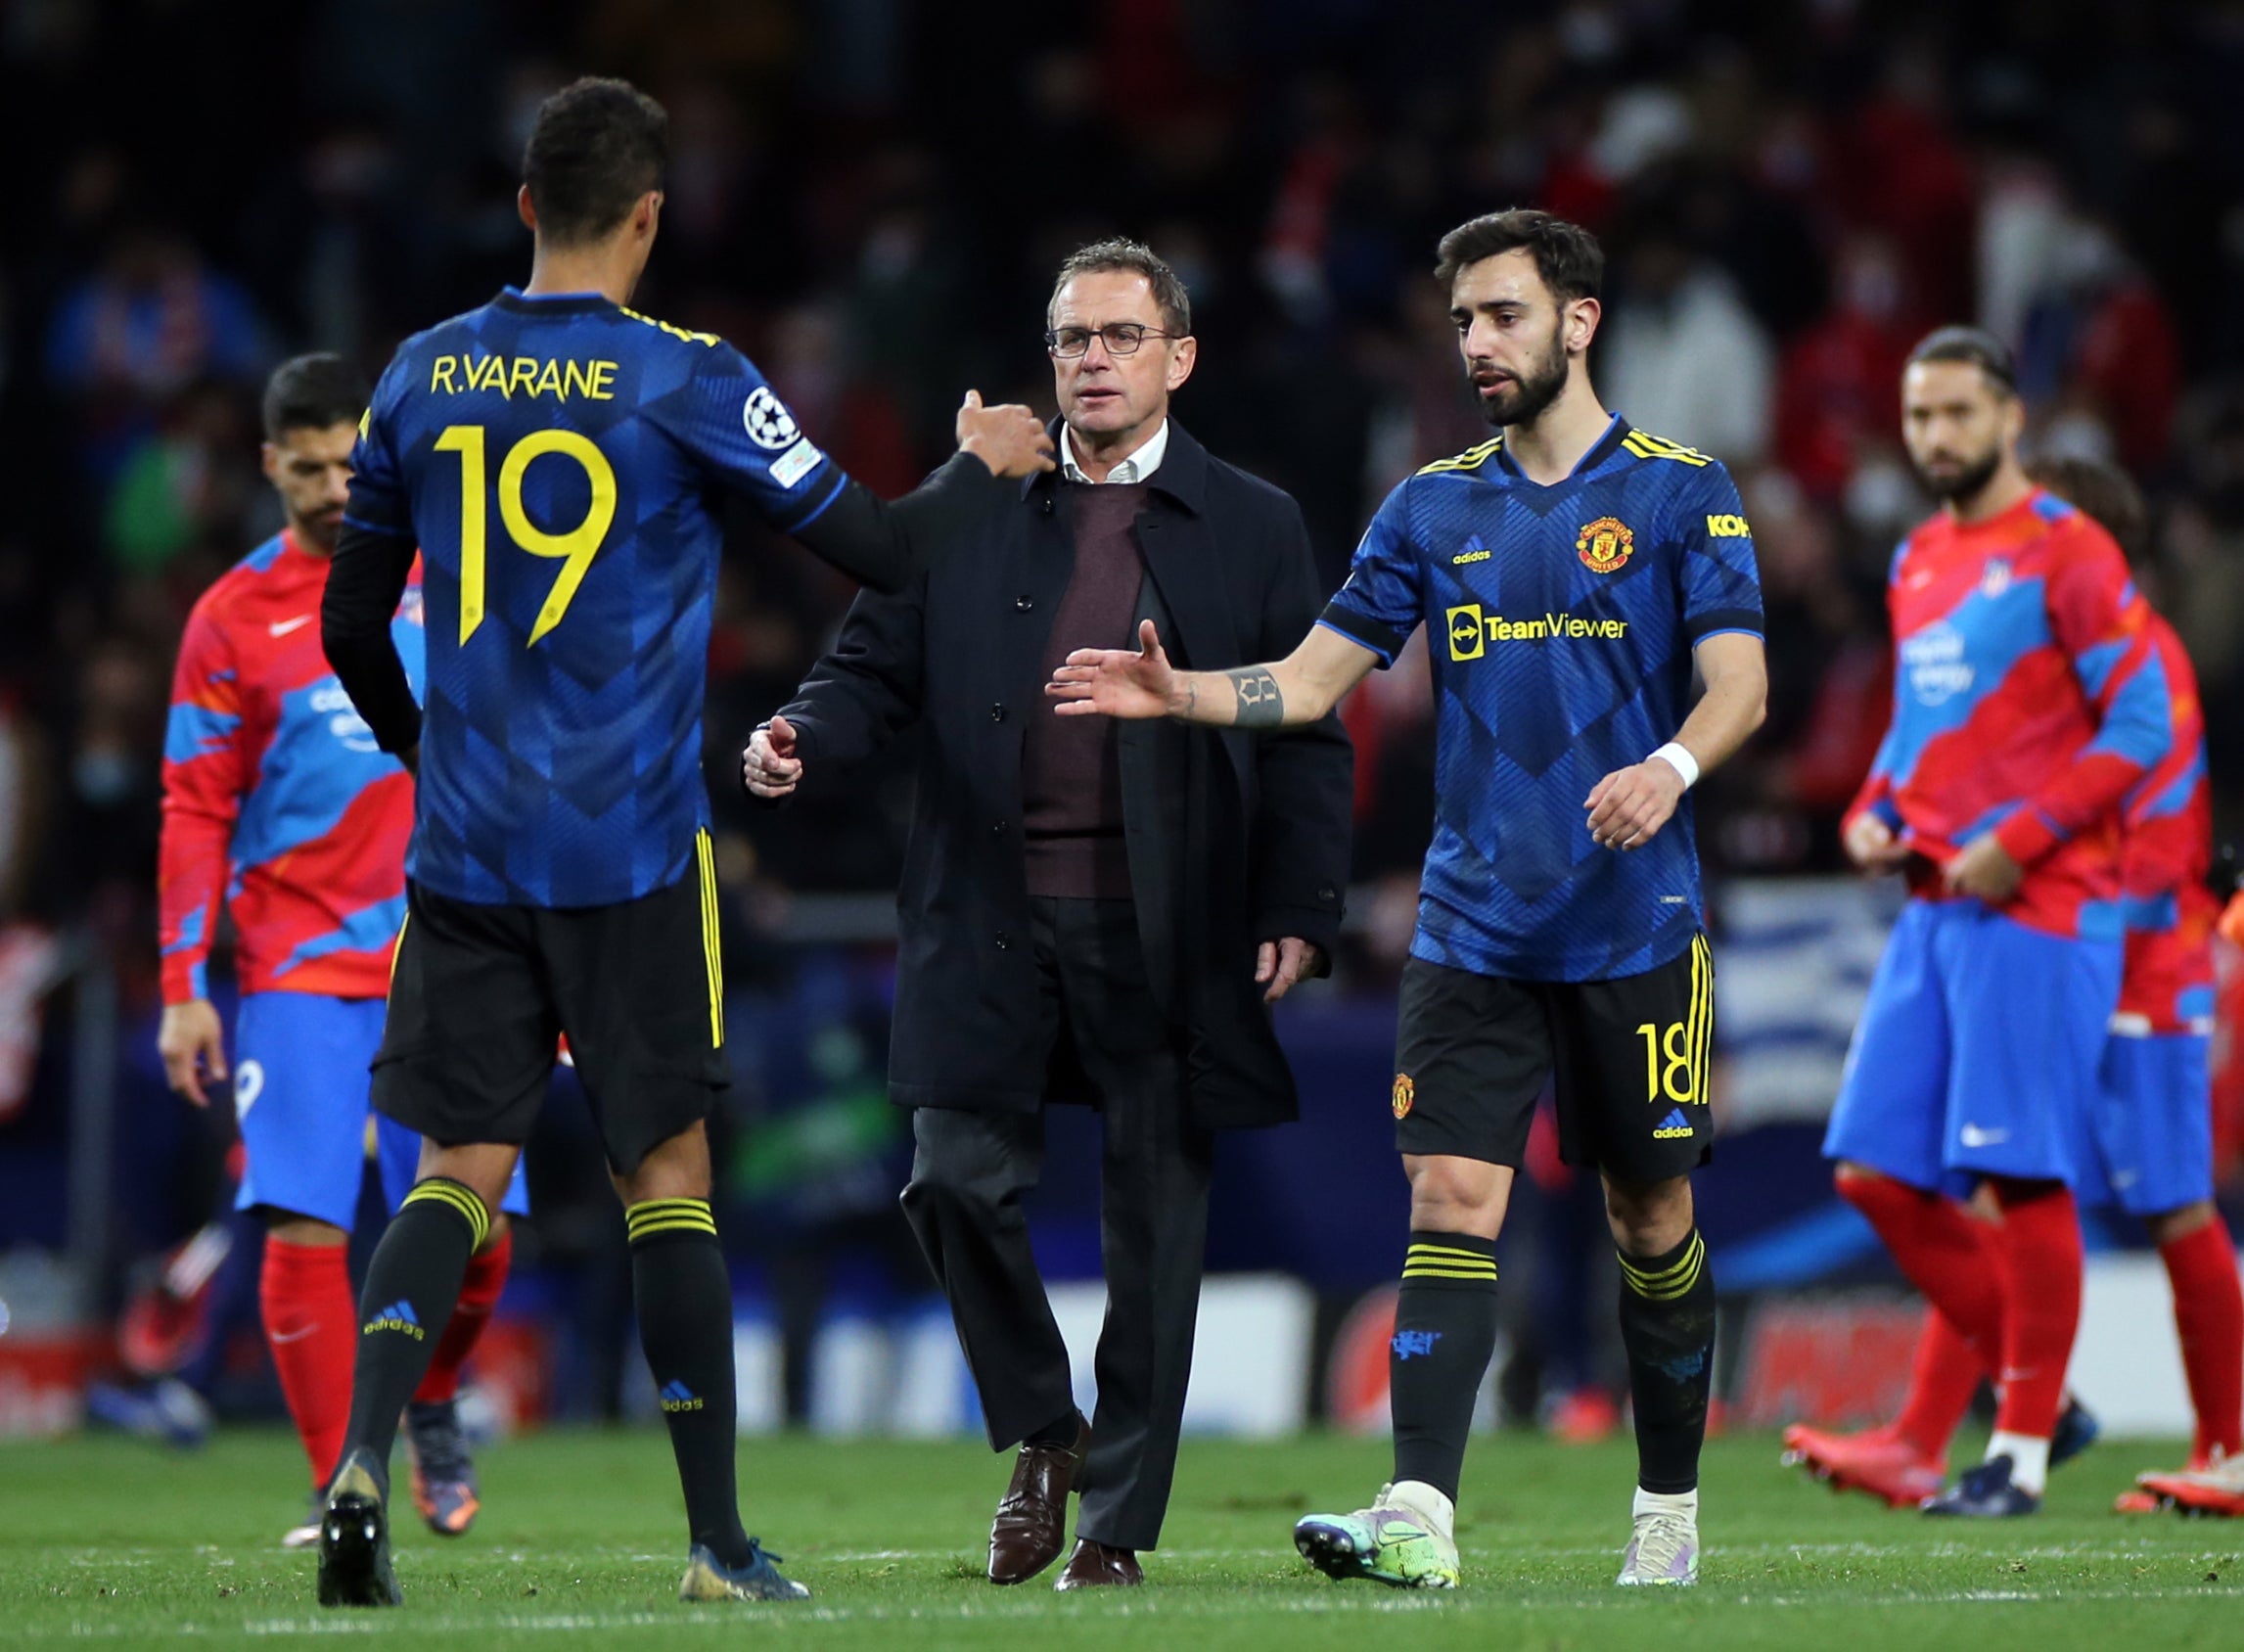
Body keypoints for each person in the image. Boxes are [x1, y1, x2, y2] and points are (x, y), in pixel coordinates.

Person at [310, 77, 1053, 1609]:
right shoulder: (687, 378)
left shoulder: (421, 371)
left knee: (454, 1169)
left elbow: (346, 622)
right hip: (634, 852)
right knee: (668, 1174)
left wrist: (419, 750)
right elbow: (883, 552)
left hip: (466, 853)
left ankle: (361, 1462)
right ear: (651, 217)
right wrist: (985, 458)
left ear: (524, 206)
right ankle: (716, 1545)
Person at [1048, 207, 1768, 1589]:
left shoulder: (1683, 491)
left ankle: (1666, 1511)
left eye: (1503, 315)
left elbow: (1737, 680)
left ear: (1579, 320)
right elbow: (1316, 682)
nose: (1478, 344)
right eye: (1462, 323)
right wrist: (1179, 693)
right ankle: (1418, 1514)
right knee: (1448, 1195)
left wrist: (1672, 766)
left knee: (1648, 1220)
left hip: (1634, 922)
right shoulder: (1432, 506)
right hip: (1472, 923)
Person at [742, 237, 1352, 1590]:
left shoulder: (1254, 522)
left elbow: (1308, 731)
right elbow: (867, 669)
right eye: (1073, 339)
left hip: (1166, 924)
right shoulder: (968, 503)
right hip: (984, 913)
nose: (1091, 361)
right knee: (950, 1183)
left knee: (1156, 1233)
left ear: (1178, 359)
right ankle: (1041, 1427)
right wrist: (800, 734)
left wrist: (1299, 903)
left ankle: (1117, 1530)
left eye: (1121, 338)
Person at [1785, 455, 2243, 1516]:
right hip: (2080, 952)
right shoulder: (2043, 685)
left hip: (2141, 964)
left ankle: (2223, 1445)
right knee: (2000, 1190)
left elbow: (2155, 835)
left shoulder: (2145, 665)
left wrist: (2089, 954)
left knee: (2172, 1204)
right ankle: (1926, 1434)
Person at [157, 354, 527, 1547]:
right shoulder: (229, 617)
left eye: (346, 461)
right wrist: (182, 987)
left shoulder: (458, 579)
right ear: (268, 464)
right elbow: (193, 805)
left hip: (457, 947)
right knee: (304, 1218)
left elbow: (520, 759)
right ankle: (342, 1491)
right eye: (304, 466)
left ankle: (424, 1386)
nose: (328, 487)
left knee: (479, 1236)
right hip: (296, 964)